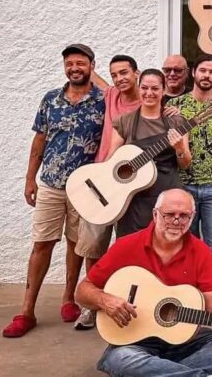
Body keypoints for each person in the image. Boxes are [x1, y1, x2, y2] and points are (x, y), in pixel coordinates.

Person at [75, 189, 212, 377]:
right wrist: (105, 300)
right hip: (134, 340)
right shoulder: (126, 246)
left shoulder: (201, 251)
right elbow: (83, 291)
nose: (176, 221)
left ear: (192, 217)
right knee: (121, 357)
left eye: (184, 216)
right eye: (169, 215)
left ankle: (156, 371)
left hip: (184, 339)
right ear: (155, 214)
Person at [3, 43, 105, 338]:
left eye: (81, 63)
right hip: (50, 182)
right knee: (42, 244)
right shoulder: (50, 100)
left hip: (85, 187)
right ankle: (26, 311)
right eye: (70, 64)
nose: (75, 68)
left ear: (91, 65)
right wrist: (29, 180)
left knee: (76, 244)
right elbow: (39, 141)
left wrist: (99, 77)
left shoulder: (103, 101)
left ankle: (68, 300)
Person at [74, 54, 142, 330]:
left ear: (136, 73)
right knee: (93, 247)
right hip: (101, 182)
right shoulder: (112, 95)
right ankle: (93, 303)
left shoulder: (149, 102)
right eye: (114, 74)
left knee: (128, 248)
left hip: (131, 189)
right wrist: (83, 61)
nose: (119, 79)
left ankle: (128, 301)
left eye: (125, 72)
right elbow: (92, 75)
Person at [168, 56, 212, 294]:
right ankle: (185, 295)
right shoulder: (175, 105)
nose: (207, 75)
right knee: (182, 245)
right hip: (183, 185)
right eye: (203, 71)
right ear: (193, 73)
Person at [106, 69, 191, 236]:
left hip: (166, 196)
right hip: (132, 198)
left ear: (164, 90)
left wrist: (180, 148)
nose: (149, 93)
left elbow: (185, 163)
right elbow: (111, 159)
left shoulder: (177, 121)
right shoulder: (124, 121)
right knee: (131, 248)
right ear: (139, 89)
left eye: (155, 88)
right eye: (144, 88)